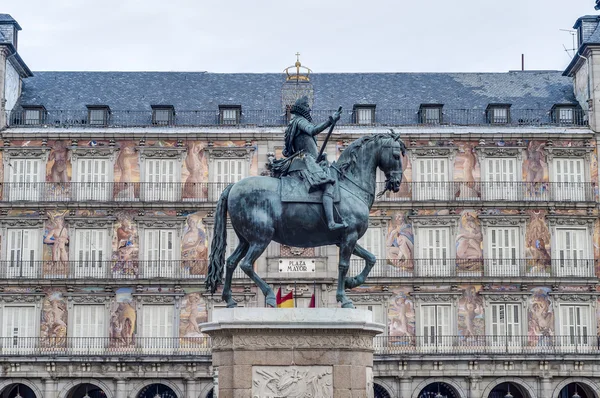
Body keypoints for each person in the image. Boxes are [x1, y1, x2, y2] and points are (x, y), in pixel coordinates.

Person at [282, 96, 345, 230]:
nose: (309, 109)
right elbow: (313, 130)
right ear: (302, 109)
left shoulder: (293, 124)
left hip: (305, 161)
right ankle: (331, 223)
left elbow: (287, 150)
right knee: (328, 186)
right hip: (306, 163)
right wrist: (330, 120)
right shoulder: (299, 121)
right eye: (307, 106)